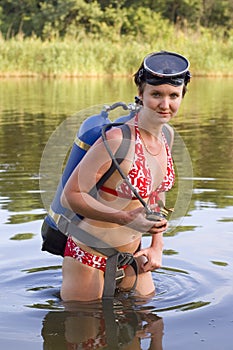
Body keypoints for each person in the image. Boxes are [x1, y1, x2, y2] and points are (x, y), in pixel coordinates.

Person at [60, 50, 191, 301]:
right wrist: (125, 217)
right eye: (156, 95)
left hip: (134, 257)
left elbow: (157, 193)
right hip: (89, 255)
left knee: (151, 325)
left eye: (174, 95)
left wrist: (156, 246)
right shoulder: (117, 139)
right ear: (140, 95)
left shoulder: (167, 136)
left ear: (182, 96)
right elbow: (71, 196)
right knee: (84, 328)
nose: (165, 104)